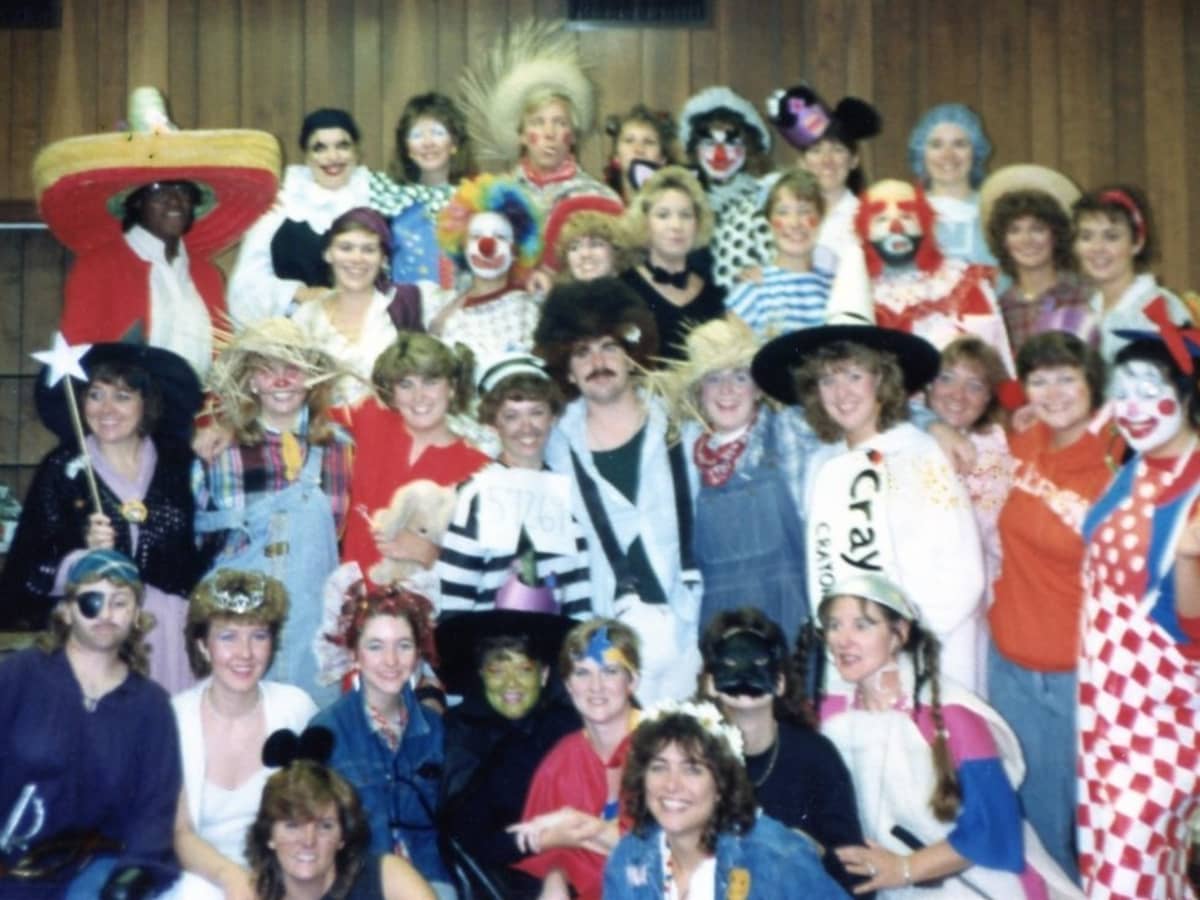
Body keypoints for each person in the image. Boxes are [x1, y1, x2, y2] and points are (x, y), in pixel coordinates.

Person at [811, 573, 1080, 898]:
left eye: (862, 625)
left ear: (898, 634)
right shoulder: (832, 716)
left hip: (982, 887)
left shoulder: (951, 715)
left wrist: (905, 869)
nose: (843, 639)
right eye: (834, 625)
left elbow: (996, 829)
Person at [752, 322, 987, 692]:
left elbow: (964, 573)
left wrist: (901, 650)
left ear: (881, 380)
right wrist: (846, 646)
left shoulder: (922, 456)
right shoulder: (822, 466)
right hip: (851, 663)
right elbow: (823, 572)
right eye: (827, 380)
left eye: (854, 376)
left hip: (926, 654)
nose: (841, 393)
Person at [1077, 318, 1200, 898]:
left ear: (1187, 393)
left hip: (1172, 715)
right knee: (1118, 860)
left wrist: (1191, 565)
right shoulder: (1133, 466)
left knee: (1127, 871)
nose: (1134, 406)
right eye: (1122, 391)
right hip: (1107, 709)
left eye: (1151, 390)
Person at [34, 86, 279, 378]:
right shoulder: (98, 268)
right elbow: (81, 359)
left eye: (184, 191)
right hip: (123, 418)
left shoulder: (207, 275)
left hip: (197, 420)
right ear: (134, 202)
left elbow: (222, 367)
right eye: (159, 190)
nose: (175, 200)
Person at [535, 279, 703, 703]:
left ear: (632, 352)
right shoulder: (553, 446)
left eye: (609, 346)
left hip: (694, 630)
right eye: (581, 352)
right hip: (610, 651)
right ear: (567, 367)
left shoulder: (682, 422)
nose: (598, 361)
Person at [987, 331, 1116, 882]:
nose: (1054, 391)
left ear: (1093, 384)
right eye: (1040, 379)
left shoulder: (1117, 460)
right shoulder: (1020, 443)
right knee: (1034, 827)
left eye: (1067, 377)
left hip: (1077, 676)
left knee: (1086, 825)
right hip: (1008, 665)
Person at [1, 343, 204, 690]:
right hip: (98, 635)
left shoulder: (179, 462)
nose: (107, 409)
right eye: (95, 395)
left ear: (146, 402)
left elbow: (209, 543)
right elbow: (26, 574)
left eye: (123, 396)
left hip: (172, 636)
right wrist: (83, 558)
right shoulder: (62, 469)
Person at [0, 549, 181, 898]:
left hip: (93, 873)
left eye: (120, 602)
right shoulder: (18, 677)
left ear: (137, 615)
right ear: (66, 611)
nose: (107, 614)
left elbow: (154, 813)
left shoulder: (151, 706)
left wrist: (133, 875)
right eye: (92, 600)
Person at [195, 318, 353, 704]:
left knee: (313, 743)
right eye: (267, 369)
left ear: (310, 379)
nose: (281, 381)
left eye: (292, 369)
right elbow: (197, 541)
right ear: (250, 381)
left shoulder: (340, 447)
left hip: (315, 631)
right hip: (240, 631)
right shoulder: (220, 451)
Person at [647, 315, 812, 638]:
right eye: (713, 378)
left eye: (740, 376)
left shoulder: (791, 431)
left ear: (759, 389)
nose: (726, 390)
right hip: (719, 627)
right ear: (697, 393)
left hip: (791, 618)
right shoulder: (684, 461)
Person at [166, 570, 317, 900]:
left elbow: (316, 821)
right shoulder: (175, 718)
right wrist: (233, 880)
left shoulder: (297, 710)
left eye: (258, 636)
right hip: (202, 878)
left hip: (287, 874)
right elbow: (181, 833)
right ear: (203, 645)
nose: (245, 653)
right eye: (228, 637)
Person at [604, 698, 847, 899]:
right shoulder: (629, 857)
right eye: (659, 767)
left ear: (721, 785)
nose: (671, 784)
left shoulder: (776, 857)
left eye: (692, 769)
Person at [698, 608, 865, 893]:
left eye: (758, 662)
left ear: (779, 682)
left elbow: (857, 876)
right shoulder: (690, 756)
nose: (744, 676)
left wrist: (813, 851)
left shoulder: (815, 757)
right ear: (711, 682)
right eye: (731, 662)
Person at [311, 582, 456, 898]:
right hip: (357, 885)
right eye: (376, 646)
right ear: (355, 653)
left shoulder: (437, 731)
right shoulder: (326, 731)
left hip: (429, 879)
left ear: (418, 653)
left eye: (403, 645)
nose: (391, 660)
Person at [436, 599, 579, 898]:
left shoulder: (567, 725)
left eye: (524, 669)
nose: (511, 683)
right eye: (497, 670)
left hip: (578, 868)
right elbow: (466, 838)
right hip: (498, 883)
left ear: (543, 675)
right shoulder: (461, 733)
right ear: (480, 675)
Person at [436, 354, 592, 618]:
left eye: (537, 412)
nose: (526, 427)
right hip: (492, 650)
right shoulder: (476, 495)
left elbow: (577, 592)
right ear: (494, 422)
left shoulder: (565, 493)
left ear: (552, 417)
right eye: (511, 416)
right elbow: (454, 602)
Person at [336, 332, 489, 587]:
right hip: (348, 604)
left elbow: (482, 569)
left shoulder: (477, 469)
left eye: (430, 382)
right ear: (392, 392)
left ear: (451, 387)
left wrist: (431, 555)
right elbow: (303, 418)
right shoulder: (368, 418)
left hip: (417, 616)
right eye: (406, 385)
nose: (419, 397)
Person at [508, 619, 641, 900]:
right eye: (582, 673)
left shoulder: (664, 748)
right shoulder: (559, 762)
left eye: (610, 671)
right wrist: (557, 875)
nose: (596, 686)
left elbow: (674, 850)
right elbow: (538, 850)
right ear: (568, 685)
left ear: (633, 681)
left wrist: (579, 825)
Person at [246, 727, 436, 900]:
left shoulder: (387, 878)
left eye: (325, 826)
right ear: (268, 835)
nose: (308, 841)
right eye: (293, 826)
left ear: (343, 837)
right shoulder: (252, 894)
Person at [855, 178, 1015, 377]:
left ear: (924, 223)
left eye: (907, 216)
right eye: (880, 219)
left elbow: (996, 362)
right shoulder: (854, 291)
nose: (896, 227)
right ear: (864, 230)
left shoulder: (962, 284)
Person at [228, 107, 374, 324]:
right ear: (306, 156)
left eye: (342, 146)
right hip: (294, 335)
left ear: (356, 151)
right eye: (319, 148)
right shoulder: (281, 204)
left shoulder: (378, 198)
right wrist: (300, 293)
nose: (332, 157)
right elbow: (244, 287)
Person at [460, 20, 613, 217]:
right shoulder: (496, 199)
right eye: (538, 123)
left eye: (560, 123)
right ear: (522, 134)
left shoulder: (598, 200)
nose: (549, 133)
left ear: (573, 135)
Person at [755, 83, 881, 314]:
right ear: (802, 161)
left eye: (838, 150)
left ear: (854, 160)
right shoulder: (777, 212)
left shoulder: (871, 219)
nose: (826, 160)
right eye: (815, 150)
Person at [290, 206, 411, 405]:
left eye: (369, 249)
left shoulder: (404, 305)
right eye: (346, 248)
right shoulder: (305, 318)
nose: (357, 258)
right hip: (324, 431)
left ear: (383, 258)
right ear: (328, 253)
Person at [926, 336, 1013, 596]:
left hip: (968, 595)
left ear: (988, 398)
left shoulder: (992, 453)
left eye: (974, 386)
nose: (957, 395)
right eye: (947, 378)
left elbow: (987, 538)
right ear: (929, 386)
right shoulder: (909, 434)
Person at [426, 174, 544, 361]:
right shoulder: (440, 306)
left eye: (500, 237)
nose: (487, 246)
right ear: (461, 245)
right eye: (475, 236)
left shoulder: (527, 309)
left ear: (516, 249)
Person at [979, 164, 1094, 350]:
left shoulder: (1086, 295)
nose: (1026, 240)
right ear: (1003, 240)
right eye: (1014, 230)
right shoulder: (999, 311)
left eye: (1037, 229)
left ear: (1056, 234)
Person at [1072, 184, 1191, 362]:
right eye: (1086, 237)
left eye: (1111, 237)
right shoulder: (1085, 312)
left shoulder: (1161, 308)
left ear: (1137, 243)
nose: (1097, 248)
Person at [620, 166, 726, 362]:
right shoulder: (623, 289)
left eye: (685, 215)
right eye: (663, 215)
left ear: (698, 223)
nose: (676, 226)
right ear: (644, 222)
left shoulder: (714, 294)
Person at [370, 91, 472, 287]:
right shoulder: (388, 196)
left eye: (437, 133)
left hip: (456, 309)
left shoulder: (474, 199)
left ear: (455, 143)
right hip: (403, 308)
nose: (427, 143)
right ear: (407, 148)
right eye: (417, 135)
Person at [725, 168, 836, 338]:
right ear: (769, 222)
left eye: (805, 211)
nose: (794, 223)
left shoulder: (834, 288)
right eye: (783, 212)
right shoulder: (753, 289)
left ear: (821, 219)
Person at [907, 103, 997, 269]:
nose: (948, 155)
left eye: (959, 144)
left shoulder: (994, 211)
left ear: (975, 152)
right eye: (936, 145)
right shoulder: (905, 213)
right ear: (921, 153)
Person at [539, 192, 628, 284]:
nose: (585, 254)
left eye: (595, 244)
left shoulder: (638, 294)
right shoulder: (556, 296)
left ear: (617, 249)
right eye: (574, 247)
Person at [603, 104, 677, 204]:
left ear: (662, 159)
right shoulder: (603, 202)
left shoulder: (674, 202)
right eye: (629, 141)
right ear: (616, 157)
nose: (639, 149)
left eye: (649, 142)